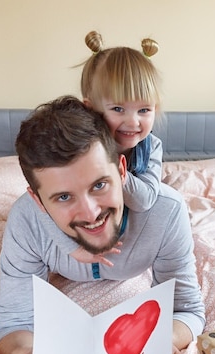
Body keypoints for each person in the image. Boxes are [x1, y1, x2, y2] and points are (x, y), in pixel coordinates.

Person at [0, 95, 205, 354]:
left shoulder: (167, 211)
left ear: (121, 169)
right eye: (63, 197)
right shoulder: (26, 220)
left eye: (100, 185)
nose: (91, 213)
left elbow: (187, 308)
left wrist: (161, 345)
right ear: (38, 201)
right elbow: (11, 321)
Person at [68, 31, 165, 267]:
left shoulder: (150, 147)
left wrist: (113, 170)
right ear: (90, 109)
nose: (133, 122)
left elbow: (145, 200)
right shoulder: (80, 146)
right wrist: (69, 248)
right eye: (118, 109)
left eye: (144, 110)